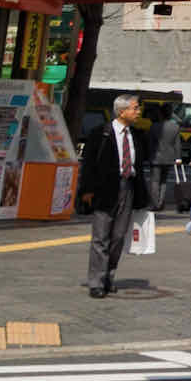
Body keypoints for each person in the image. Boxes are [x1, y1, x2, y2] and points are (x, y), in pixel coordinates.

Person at [79, 92, 151, 298]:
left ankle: (109, 276)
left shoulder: (135, 136)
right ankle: (96, 282)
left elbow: (140, 166)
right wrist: (87, 190)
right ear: (122, 111)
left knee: (118, 237)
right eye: (135, 108)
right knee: (100, 237)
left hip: (128, 188)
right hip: (105, 190)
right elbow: (89, 165)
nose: (138, 112)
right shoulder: (100, 133)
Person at [145, 104, 189, 214]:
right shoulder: (175, 127)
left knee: (154, 181)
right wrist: (178, 158)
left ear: (161, 114)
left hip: (156, 157)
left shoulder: (154, 126)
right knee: (163, 181)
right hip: (169, 157)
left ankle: (156, 204)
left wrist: (148, 156)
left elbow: (149, 143)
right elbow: (177, 144)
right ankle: (161, 201)